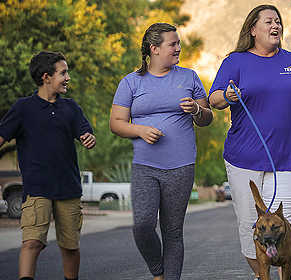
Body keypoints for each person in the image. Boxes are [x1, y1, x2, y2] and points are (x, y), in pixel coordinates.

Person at [207, 4, 291, 279]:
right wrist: (228, 96)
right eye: (268, 21)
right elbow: (214, 98)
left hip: (290, 155)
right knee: (250, 225)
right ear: (253, 29)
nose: (275, 26)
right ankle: (261, 275)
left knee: (286, 222)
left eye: (278, 21)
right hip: (244, 158)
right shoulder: (235, 61)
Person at [0, 51, 96, 280]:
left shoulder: (71, 108)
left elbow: (86, 134)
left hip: (68, 189)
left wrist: (89, 138)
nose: (68, 77)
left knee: (70, 247)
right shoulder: (23, 108)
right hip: (37, 189)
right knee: (32, 243)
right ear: (46, 77)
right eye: (63, 73)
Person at [109, 22, 213, 280]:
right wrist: (141, 130)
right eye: (173, 44)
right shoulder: (131, 82)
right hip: (145, 166)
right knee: (143, 225)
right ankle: (158, 272)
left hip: (181, 165)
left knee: (172, 231)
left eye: (178, 43)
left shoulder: (189, 77)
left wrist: (197, 111)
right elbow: (116, 123)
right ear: (154, 49)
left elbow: (207, 118)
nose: (179, 48)